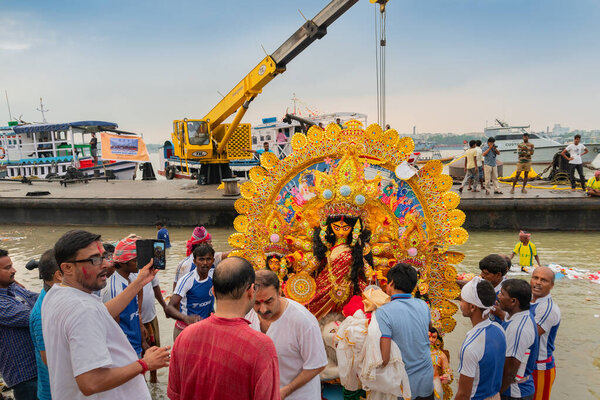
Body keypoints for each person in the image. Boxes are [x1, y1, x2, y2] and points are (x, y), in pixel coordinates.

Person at [42, 230, 170, 399]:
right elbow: (90, 382)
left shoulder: (57, 293)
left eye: (104, 256)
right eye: (94, 259)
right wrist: (145, 364)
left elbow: (102, 313)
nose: (106, 265)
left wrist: (140, 281)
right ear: (67, 268)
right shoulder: (82, 309)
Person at [167, 257, 280, 400]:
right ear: (252, 291)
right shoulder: (261, 347)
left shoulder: (184, 337)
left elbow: (174, 394)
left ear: (213, 291)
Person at [247, 270, 327, 400]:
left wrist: (285, 391)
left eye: (269, 301)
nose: (263, 309)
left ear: (279, 293)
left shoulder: (303, 321)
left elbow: (317, 364)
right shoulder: (248, 313)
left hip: (299, 396)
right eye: (257, 303)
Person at [377, 263, 434, 400]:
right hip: (426, 379)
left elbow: (384, 358)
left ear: (391, 283)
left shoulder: (383, 312)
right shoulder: (423, 306)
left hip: (404, 384)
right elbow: (428, 328)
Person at [455, 278, 506, 400]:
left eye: (462, 300)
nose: (460, 304)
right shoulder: (499, 329)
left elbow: (464, 394)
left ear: (472, 307)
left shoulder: (471, 346)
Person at [0, 249, 39, 400]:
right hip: (24, 375)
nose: (14, 270)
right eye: (7, 268)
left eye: (12, 265)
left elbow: (38, 298)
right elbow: (34, 317)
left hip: (38, 368)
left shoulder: (13, 288)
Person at [101, 235, 145, 357]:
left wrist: (142, 338)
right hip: (124, 349)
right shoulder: (113, 289)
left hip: (136, 341)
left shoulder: (132, 277)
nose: (139, 264)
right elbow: (113, 328)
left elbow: (136, 309)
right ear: (124, 262)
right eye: (136, 260)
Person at [497, 279, 539, 400]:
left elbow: (510, 371)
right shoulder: (519, 317)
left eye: (502, 294)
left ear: (513, 301)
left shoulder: (518, 329)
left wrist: (496, 394)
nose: (498, 296)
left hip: (514, 393)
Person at [29, 249, 62, 400]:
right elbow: (50, 361)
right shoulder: (43, 312)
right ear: (59, 275)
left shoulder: (58, 300)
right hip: (54, 393)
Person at [167, 244, 216, 340]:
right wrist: (186, 318)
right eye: (201, 259)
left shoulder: (215, 275)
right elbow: (169, 308)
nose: (205, 263)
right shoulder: (186, 280)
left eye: (208, 259)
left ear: (213, 261)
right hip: (185, 329)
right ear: (194, 262)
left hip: (205, 328)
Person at [529, 267, 560, 400]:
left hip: (540, 367)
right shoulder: (527, 300)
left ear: (552, 285)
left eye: (544, 280)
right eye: (535, 278)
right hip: (526, 364)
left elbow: (530, 336)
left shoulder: (548, 308)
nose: (538, 283)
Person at [129, 271, 167, 383]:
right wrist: (139, 323)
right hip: (135, 321)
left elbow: (155, 287)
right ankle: (142, 383)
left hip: (151, 317)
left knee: (155, 350)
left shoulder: (149, 268)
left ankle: (154, 380)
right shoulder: (128, 274)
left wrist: (165, 306)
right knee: (139, 356)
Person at [429, 327, 452, 399]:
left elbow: (447, 373)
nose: (431, 340)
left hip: (434, 388)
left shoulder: (441, 355)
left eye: (434, 337)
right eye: (428, 337)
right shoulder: (417, 352)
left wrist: (445, 376)